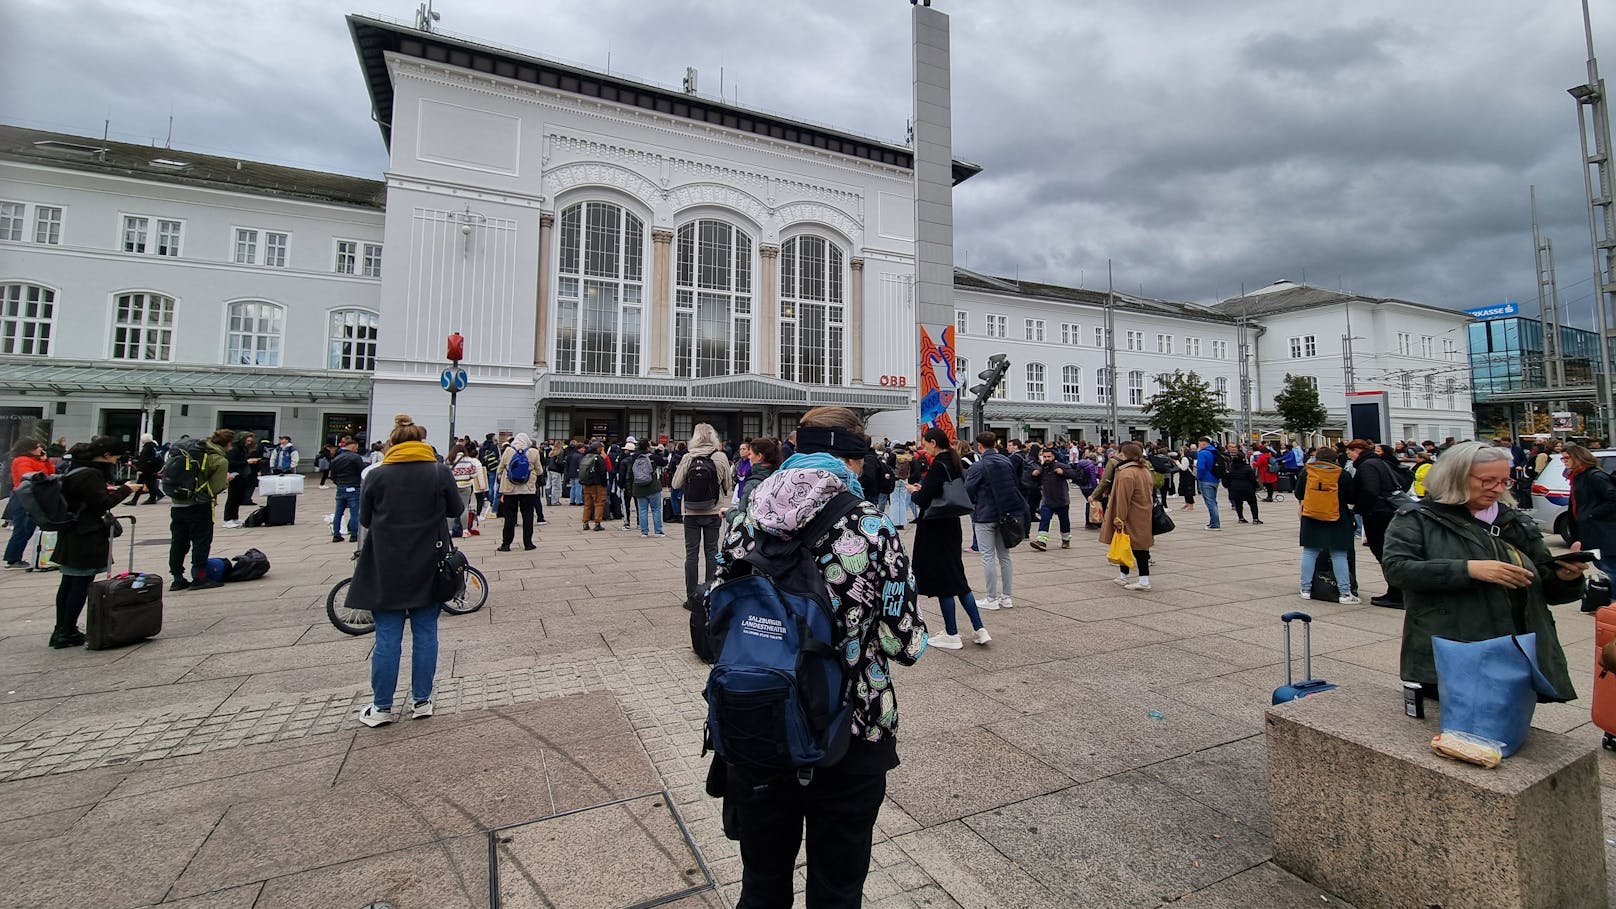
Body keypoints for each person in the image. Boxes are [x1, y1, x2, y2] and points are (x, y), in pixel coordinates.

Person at [713, 406, 925, 909]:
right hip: (849, 726)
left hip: (757, 717)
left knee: (761, 883)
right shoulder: (870, 525)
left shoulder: (744, 516)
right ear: (851, 460)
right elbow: (901, 641)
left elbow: (721, 608)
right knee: (837, 886)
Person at [1382, 441, 1581, 702]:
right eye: (1487, 481)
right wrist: (1468, 570)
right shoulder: (1417, 519)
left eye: (1504, 482)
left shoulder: (1514, 520)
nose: (1497, 489)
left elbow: (1541, 580)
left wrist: (1565, 577)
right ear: (1455, 477)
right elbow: (1398, 570)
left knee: (1508, 723)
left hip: (1514, 649)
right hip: (1451, 646)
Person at [348, 415, 462, 727]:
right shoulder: (439, 472)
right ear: (422, 443)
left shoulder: (376, 475)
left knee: (387, 636)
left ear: (392, 443)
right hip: (429, 561)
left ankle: (382, 706)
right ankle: (422, 701)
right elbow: (456, 510)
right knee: (426, 633)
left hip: (386, 563)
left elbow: (366, 519)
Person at [49, 437, 143, 648]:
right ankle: (67, 631)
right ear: (107, 455)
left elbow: (86, 497)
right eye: (116, 457)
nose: (117, 461)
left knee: (69, 583)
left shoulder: (77, 468)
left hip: (72, 532)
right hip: (85, 535)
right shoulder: (91, 474)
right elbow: (101, 504)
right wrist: (126, 490)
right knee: (79, 584)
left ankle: (61, 629)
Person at [910, 427, 991, 647]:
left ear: (934, 442)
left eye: (925, 443)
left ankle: (952, 634)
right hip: (951, 525)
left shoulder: (938, 464)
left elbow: (923, 498)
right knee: (958, 579)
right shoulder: (954, 461)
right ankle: (979, 628)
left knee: (944, 582)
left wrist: (914, 491)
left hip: (935, 527)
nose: (924, 447)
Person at [673, 423, 733, 603]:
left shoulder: (688, 457)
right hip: (713, 511)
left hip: (691, 512)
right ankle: (711, 593)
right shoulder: (720, 456)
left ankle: (692, 597)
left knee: (691, 554)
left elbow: (676, 484)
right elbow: (728, 486)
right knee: (712, 551)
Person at [964, 431, 1023, 609]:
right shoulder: (1007, 462)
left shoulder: (978, 466)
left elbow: (968, 491)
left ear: (980, 446)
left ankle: (991, 598)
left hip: (984, 514)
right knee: (1005, 556)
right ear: (995, 444)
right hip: (1005, 514)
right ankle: (1006, 596)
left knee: (987, 556)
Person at [167, 430, 231, 590]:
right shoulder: (218, 459)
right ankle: (199, 577)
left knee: (178, 542)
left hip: (177, 503)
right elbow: (215, 487)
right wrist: (226, 481)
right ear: (228, 444)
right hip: (199, 506)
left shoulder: (191, 451)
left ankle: (177, 578)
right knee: (201, 541)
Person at [1345, 439, 1405, 609]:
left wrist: (1358, 508)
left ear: (1358, 450)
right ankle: (1395, 591)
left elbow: (1370, 491)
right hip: (1386, 512)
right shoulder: (1378, 462)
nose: (1349, 456)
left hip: (1378, 514)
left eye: (1350, 452)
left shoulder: (1367, 465)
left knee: (1383, 553)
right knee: (1387, 553)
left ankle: (1397, 594)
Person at [1296, 449, 1360, 604]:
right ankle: (1345, 593)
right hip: (1337, 517)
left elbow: (1299, 494)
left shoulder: (1307, 472)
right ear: (1335, 458)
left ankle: (1305, 589)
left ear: (1316, 458)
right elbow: (1351, 497)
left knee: (1310, 552)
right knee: (1339, 554)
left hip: (1311, 516)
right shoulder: (1342, 474)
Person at [1101, 442, 1157, 590]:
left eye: (1120, 454)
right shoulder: (1144, 469)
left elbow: (1123, 498)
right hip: (1143, 511)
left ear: (1125, 455)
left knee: (1135, 547)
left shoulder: (1126, 473)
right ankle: (1124, 576)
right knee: (1132, 545)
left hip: (1131, 514)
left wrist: (1120, 518)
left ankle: (1143, 580)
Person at [1565, 443, 1616, 589]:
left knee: (1610, 569)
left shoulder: (1594, 476)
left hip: (1604, 533)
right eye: (1563, 459)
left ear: (1579, 458)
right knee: (1604, 567)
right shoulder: (1577, 477)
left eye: (1567, 458)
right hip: (1591, 532)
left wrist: (1590, 514)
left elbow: (1612, 499)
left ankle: (1613, 604)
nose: (1565, 461)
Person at [4, 437, 53, 569]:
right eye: (38, 447)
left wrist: (46, 461)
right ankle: (13, 558)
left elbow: (51, 473)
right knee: (22, 528)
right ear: (29, 449)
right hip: (24, 496)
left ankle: (15, 556)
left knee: (28, 528)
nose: (41, 449)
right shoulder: (22, 461)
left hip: (36, 495)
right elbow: (27, 476)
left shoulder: (36, 460)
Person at [497, 433, 541, 550]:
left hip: (509, 489)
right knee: (528, 516)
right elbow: (540, 470)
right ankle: (528, 543)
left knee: (509, 517)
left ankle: (506, 544)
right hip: (528, 490)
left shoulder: (508, 451)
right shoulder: (534, 452)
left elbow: (500, 468)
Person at [1030, 443, 1072, 551]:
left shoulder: (1061, 466)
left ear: (1054, 456)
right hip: (1047, 500)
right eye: (1045, 457)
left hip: (1061, 499)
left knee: (1064, 521)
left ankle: (1066, 539)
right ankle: (1041, 541)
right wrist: (1034, 475)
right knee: (1045, 519)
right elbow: (1037, 483)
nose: (1047, 459)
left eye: (1049, 456)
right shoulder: (1042, 469)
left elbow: (1075, 474)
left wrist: (1064, 473)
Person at [327, 438, 366, 543]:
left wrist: (339, 483)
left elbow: (332, 475)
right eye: (356, 448)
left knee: (338, 512)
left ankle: (336, 534)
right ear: (353, 447)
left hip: (341, 487)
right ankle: (354, 534)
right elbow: (362, 471)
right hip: (353, 487)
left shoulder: (336, 458)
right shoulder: (356, 458)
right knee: (354, 512)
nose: (357, 450)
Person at [221, 433, 262, 527]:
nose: (249, 443)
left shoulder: (243, 449)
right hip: (234, 475)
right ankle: (228, 519)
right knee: (232, 498)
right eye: (247, 441)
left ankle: (234, 518)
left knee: (238, 498)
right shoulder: (234, 450)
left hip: (242, 476)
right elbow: (231, 462)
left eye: (250, 441)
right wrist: (247, 462)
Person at [627, 441, 666, 537]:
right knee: (656, 509)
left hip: (638, 486)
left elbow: (630, 473)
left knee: (642, 509)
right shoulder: (652, 457)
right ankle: (658, 531)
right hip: (652, 486)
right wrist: (658, 452)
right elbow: (664, 462)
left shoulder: (633, 457)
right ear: (648, 447)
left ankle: (644, 532)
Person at [447, 444, 487, 537]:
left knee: (451, 508)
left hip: (453, 486)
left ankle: (449, 531)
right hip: (466, 486)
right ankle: (465, 530)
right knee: (464, 507)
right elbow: (474, 474)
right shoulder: (469, 461)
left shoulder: (449, 460)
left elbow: (446, 473)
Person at [735, 437, 781, 512]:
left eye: (750, 454)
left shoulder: (753, 483)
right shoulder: (779, 476)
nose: (749, 457)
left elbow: (741, 515)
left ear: (759, 456)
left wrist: (729, 512)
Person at [577, 440, 610, 532]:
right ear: (598, 448)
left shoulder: (586, 457)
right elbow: (603, 472)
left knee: (587, 504)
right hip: (598, 484)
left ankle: (585, 523)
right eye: (601, 448)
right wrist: (604, 484)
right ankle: (597, 523)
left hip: (587, 484)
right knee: (599, 503)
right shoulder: (599, 458)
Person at [1224, 450, 1263, 524]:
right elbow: (1252, 478)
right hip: (1247, 487)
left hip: (1235, 487)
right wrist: (1256, 486)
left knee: (1238, 503)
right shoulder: (1247, 468)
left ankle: (1241, 518)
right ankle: (1255, 518)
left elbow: (1227, 478)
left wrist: (1228, 486)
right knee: (1252, 503)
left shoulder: (1231, 468)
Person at [1195, 438, 1223, 530]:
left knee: (1210, 502)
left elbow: (1201, 467)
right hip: (1215, 479)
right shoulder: (1215, 451)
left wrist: (1199, 477)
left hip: (1206, 479)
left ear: (1203, 444)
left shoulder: (1203, 453)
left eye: (1199, 444)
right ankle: (1213, 522)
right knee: (1213, 501)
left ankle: (1215, 524)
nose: (1198, 446)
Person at [135, 434, 165, 504]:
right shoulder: (154, 447)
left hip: (146, 470)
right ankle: (154, 497)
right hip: (150, 469)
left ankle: (135, 500)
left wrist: (140, 469)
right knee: (149, 484)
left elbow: (143, 459)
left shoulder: (147, 448)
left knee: (141, 484)